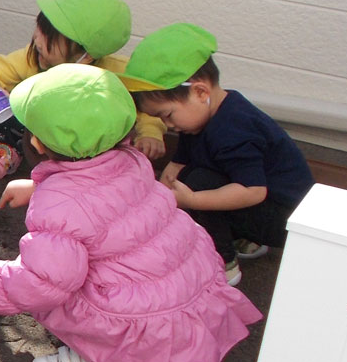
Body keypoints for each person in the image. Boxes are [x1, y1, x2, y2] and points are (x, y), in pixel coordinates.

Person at [0, 64, 262, 362]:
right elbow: (101, 198)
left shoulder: (60, 206)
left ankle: (103, 361)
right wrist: (38, 187)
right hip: (190, 290)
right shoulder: (132, 161)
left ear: (36, 143)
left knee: (62, 291)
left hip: (143, 324)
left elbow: (44, 280)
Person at [120, 22, 315, 286]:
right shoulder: (201, 118)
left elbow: (253, 190)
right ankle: (243, 239)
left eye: (167, 115)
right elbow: (181, 162)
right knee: (192, 178)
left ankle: (223, 263)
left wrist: (192, 200)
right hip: (266, 205)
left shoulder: (235, 129)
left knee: (199, 184)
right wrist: (165, 187)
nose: (168, 126)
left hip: (286, 219)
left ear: (200, 92)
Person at [0, 0, 167, 180]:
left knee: (114, 136)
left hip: (86, 149)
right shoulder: (33, 58)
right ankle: (7, 150)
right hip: (38, 138)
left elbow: (146, 104)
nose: (38, 38)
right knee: (17, 107)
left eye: (50, 38)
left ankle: (92, 173)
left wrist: (151, 133)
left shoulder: (113, 74)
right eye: (40, 28)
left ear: (85, 56)